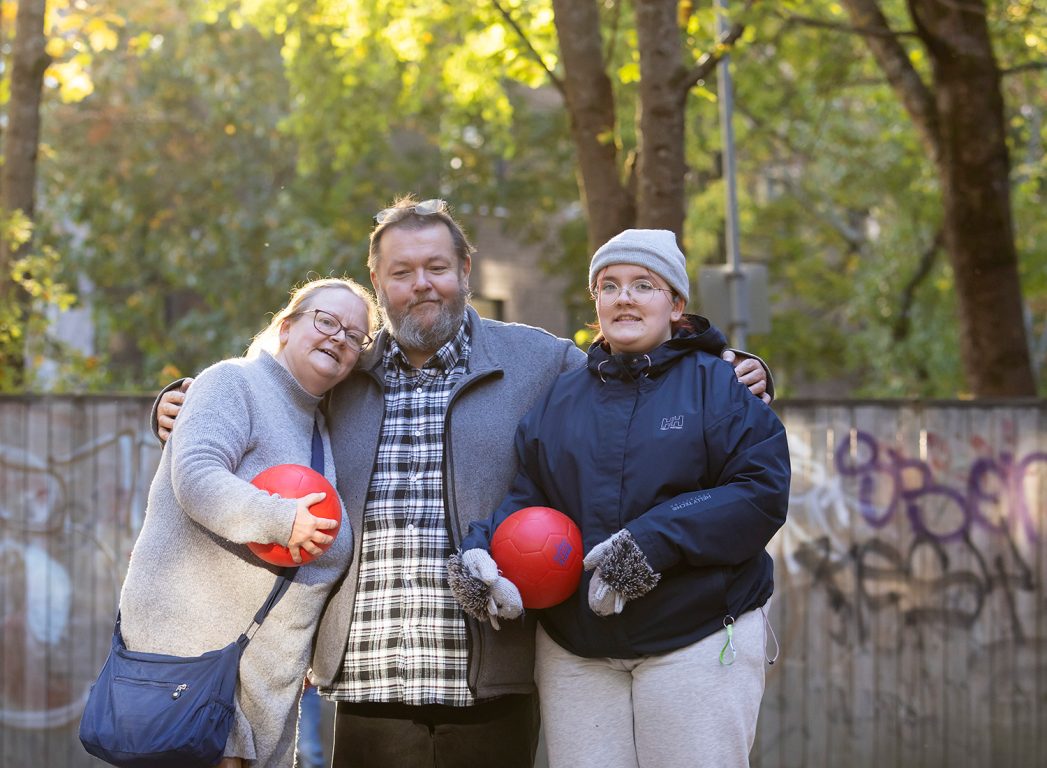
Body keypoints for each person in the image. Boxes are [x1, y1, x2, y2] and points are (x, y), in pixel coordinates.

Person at [155, 197, 773, 768]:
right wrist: (185, 399)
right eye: (401, 272)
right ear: (378, 282)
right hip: (370, 684)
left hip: (493, 680)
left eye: (437, 267)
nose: (421, 284)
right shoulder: (345, 370)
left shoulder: (541, 360)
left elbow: (637, 363)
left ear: (466, 269)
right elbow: (267, 389)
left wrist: (731, 364)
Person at [450, 229, 790, 768]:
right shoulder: (561, 398)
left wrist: (655, 540)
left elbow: (760, 492)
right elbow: (531, 498)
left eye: (643, 285)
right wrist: (483, 551)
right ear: (596, 303)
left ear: (676, 304)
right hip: (576, 649)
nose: (624, 297)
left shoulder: (721, 385)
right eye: (609, 286)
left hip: (695, 635)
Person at [123, 277, 377, 768]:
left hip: (266, 716)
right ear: (286, 327)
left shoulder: (320, 426)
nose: (339, 337)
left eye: (354, 335)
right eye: (326, 320)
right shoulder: (232, 382)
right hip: (199, 701)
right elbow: (197, 476)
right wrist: (281, 520)